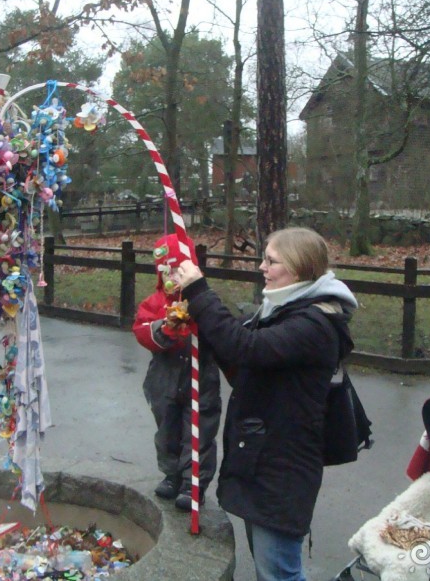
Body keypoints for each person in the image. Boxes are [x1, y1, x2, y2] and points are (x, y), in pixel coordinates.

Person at [172, 226, 358, 581]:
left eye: (271, 261)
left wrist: (199, 291)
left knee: (279, 574)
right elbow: (244, 363)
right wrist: (203, 327)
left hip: (283, 470)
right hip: (266, 460)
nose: (261, 267)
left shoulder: (314, 323)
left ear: (300, 268)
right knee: (268, 569)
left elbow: (247, 348)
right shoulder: (283, 310)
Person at [132, 233, 222, 511]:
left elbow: (221, 329)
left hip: (200, 377)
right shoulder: (155, 302)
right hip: (164, 376)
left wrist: (201, 324)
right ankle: (171, 474)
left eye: (179, 270)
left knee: (198, 432)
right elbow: (142, 331)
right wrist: (166, 327)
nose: (173, 276)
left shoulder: (204, 299)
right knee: (167, 430)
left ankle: (192, 482)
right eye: (167, 270)